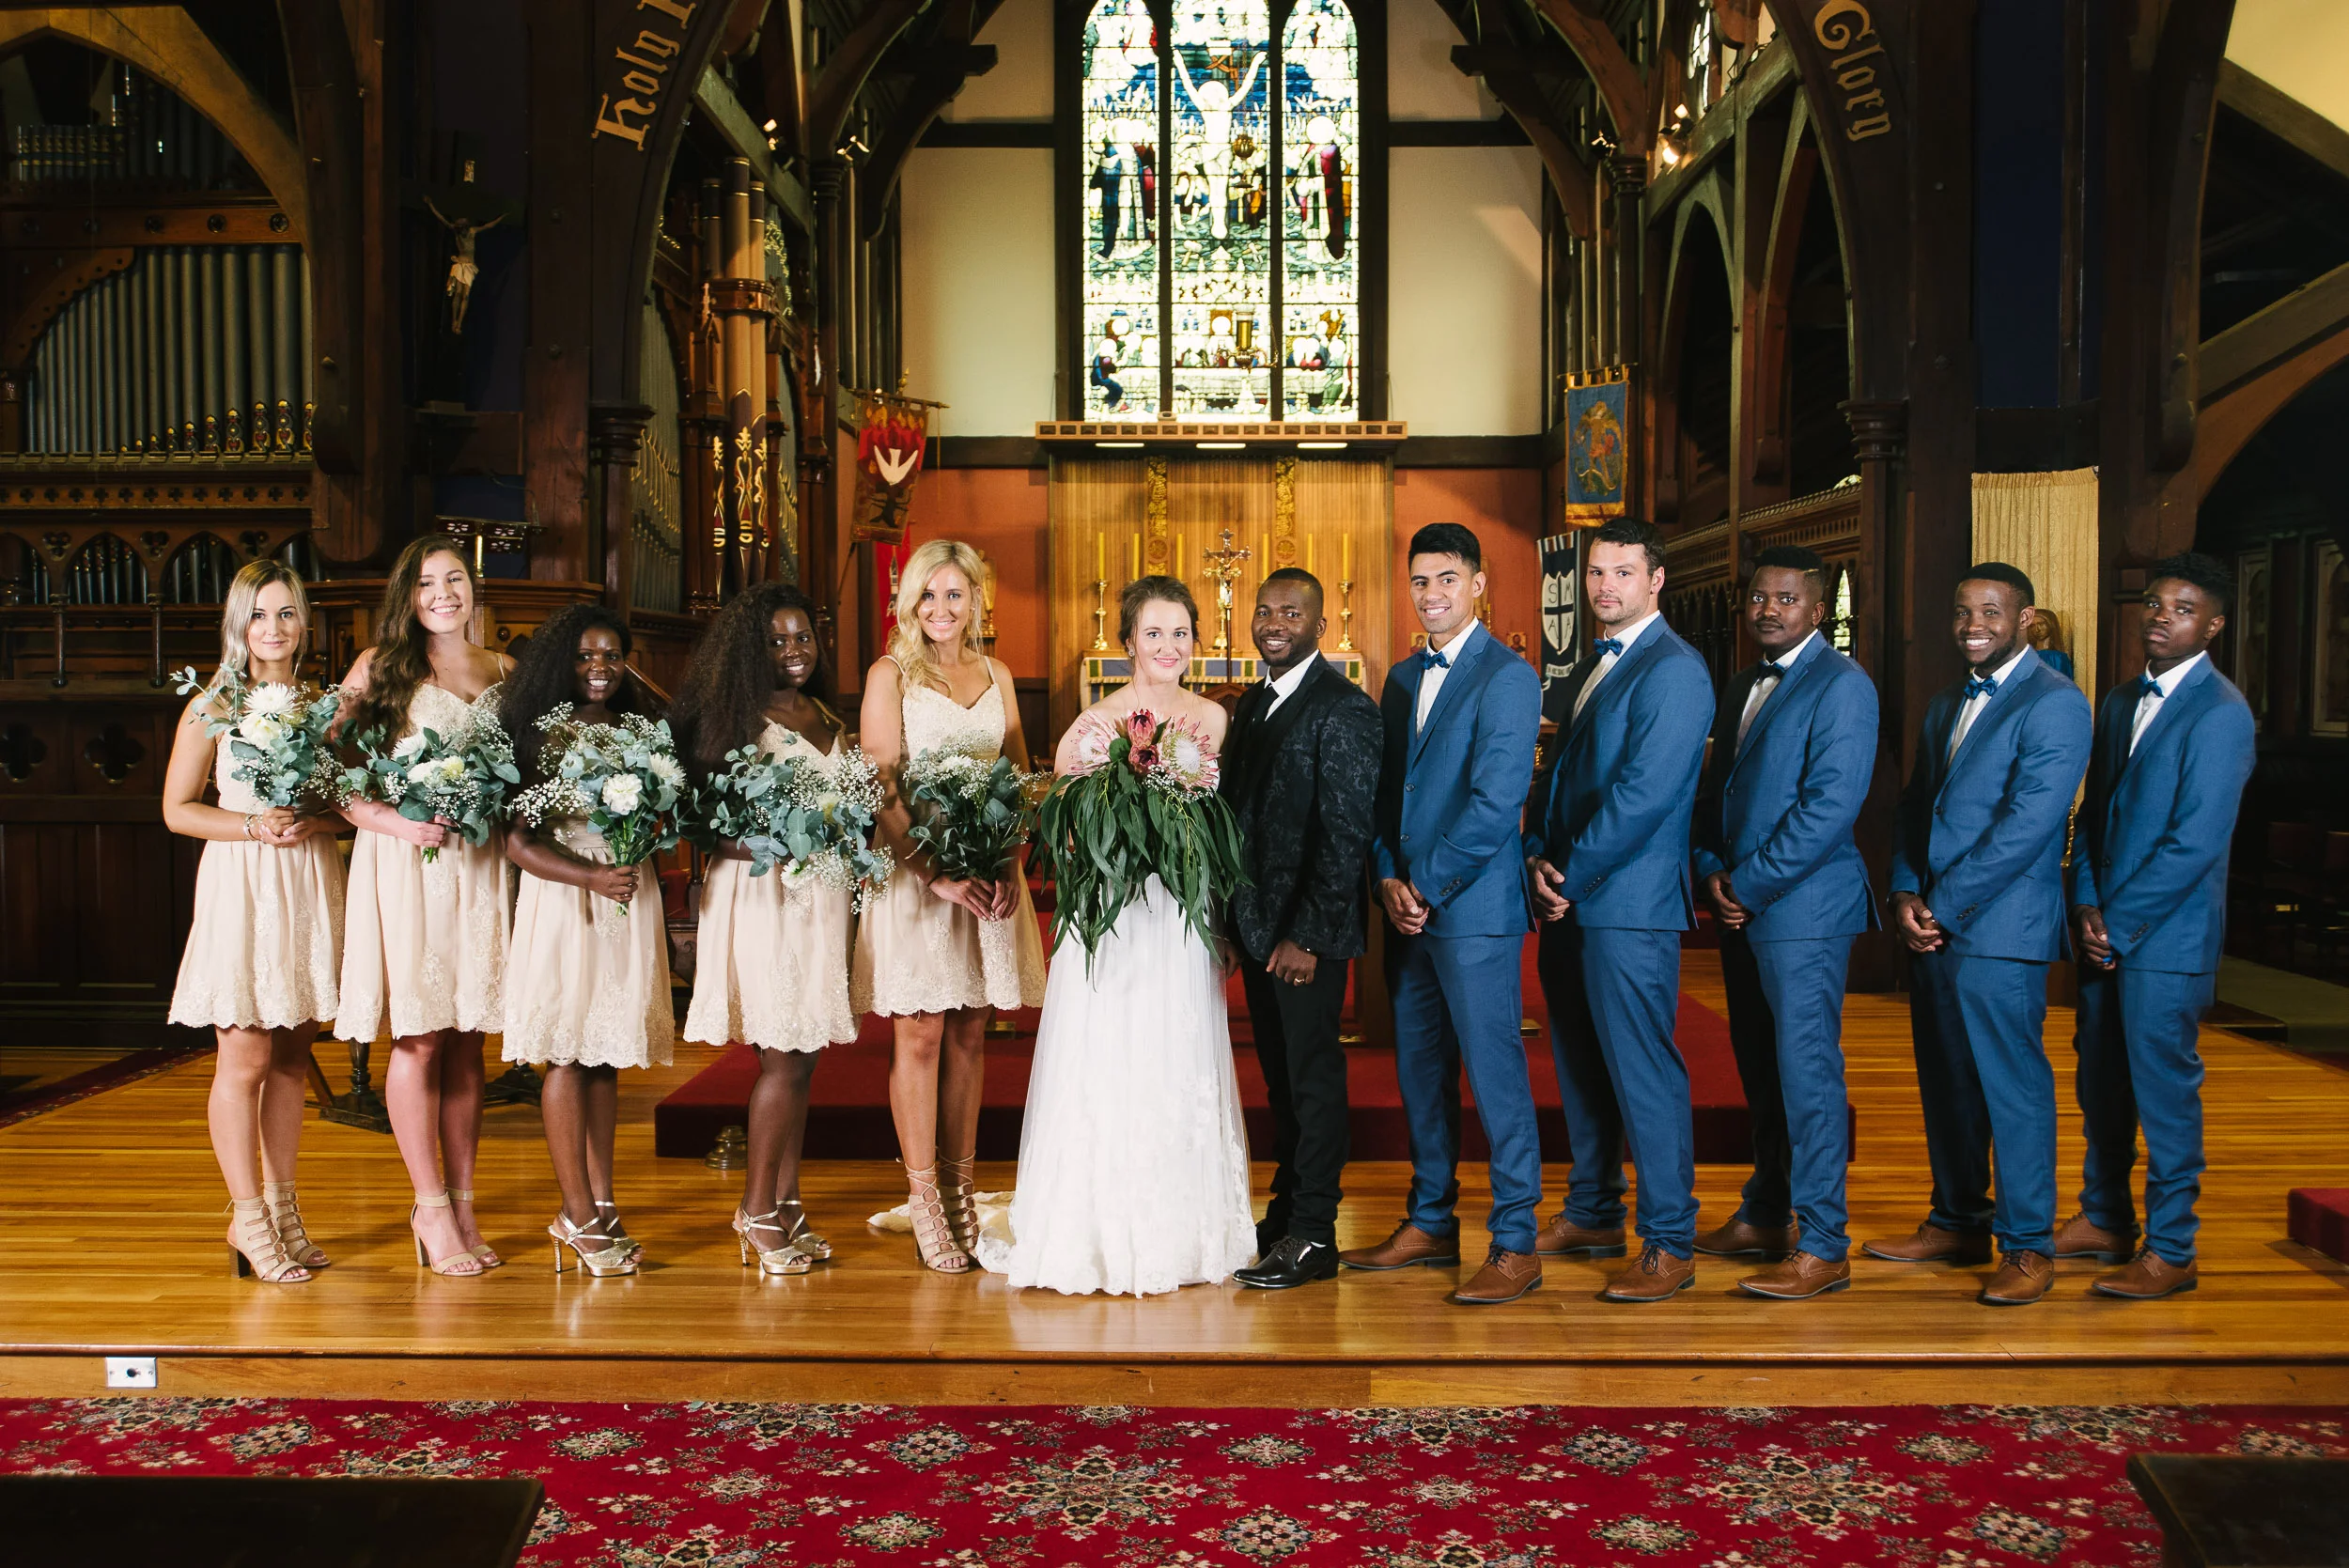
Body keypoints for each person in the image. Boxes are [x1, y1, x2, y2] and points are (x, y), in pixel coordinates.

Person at [977, 576, 1257, 1295]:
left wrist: (1218, 917)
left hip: (1180, 920)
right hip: (1117, 918)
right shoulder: (1094, 727)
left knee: (1175, 1059)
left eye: (1180, 633)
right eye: (1154, 633)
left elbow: (1224, 830)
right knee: (1111, 1058)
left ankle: (1182, 1229)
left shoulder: (1213, 720)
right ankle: (1099, 1229)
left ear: (1195, 642)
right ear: (1128, 640)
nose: (1168, 646)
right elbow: (1068, 835)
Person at [1869, 563, 2092, 1306]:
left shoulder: (2056, 703)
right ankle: (1958, 1219)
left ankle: (2027, 1246)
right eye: (1964, 611)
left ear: (2025, 620)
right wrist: (1906, 888)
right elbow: (1916, 806)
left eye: (1991, 612)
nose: (1974, 625)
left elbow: (2028, 826)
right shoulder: (1945, 703)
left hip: (2000, 929)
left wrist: (1944, 904)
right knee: (1948, 1082)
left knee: (2011, 1087)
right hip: (1933, 920)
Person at [1341, 523, 1544, 1305]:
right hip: (1406, 910)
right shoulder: (1399, 678)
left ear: (1479, 583)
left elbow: (1496, 803)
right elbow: (1383, 796)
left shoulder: (1509, 677)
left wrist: (1423, 885)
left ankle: (1516, 1240)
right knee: (1421, 1073)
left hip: (1472, 910)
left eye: (1448, 579)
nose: (1432, 594)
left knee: (1496, 1077)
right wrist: (1387, 878)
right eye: (1421, 581)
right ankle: (1430, 1220)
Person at [1524, 518, 1714, 1304]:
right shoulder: (1594, 663)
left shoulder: (1675, 670)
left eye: (1623, 572)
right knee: (1579, 1060)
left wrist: (1568, 873)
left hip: (1627, 903)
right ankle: (1594, 1209)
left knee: (1643, 1070)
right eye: (1597, 572)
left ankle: (1669, 1240)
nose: (1605, 586)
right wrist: (1536, 852)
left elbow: (1644, 795)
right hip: (1570, 896)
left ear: (1655, 579)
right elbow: (1560, 776)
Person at [1690, 545, 1880, 1299]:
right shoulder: (1743, 682)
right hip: (1741, 904)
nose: (1768, 610)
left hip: (1803, 910)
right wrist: (1712, 865)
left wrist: (1749, 883)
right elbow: (1720, 792)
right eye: (1759, 598)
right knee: (1761, 1069)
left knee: (1807, 1073)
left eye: (1786, 599)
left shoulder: (1844, 685)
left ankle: (1824, 1242)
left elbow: (1830, 807)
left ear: (1817, 607)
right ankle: (1768, 1211)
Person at [2064, 553, 2255, 1299]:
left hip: (2166, 941)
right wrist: (2087, 904)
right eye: (2153, 603)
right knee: (2100, 1081)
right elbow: (2095, 815)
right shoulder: (2120, 701)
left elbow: (2195, 841)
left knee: (2164, 1094)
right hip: (2104, 929)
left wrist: (2118, 921)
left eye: (2182, 608)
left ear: (2213, 625)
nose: (2160, 617)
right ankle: (2105, 1217)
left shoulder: (2221, 712)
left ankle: (2172, 1249)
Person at [853, 539, 1047, 1272]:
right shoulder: (891, 674)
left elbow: (1017, 776)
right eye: (928, 594)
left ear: (976, 601)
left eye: (955, 594)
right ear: (909, 601)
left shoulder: (998, 673)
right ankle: (925, 1199)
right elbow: (881, 783)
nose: (941, 607)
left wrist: (1008, 859)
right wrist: (933, 874)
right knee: (921, 1033)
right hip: (917, 879)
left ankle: (963, 1191)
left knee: (970, 1031)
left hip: (986, 877)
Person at [334, 533, 514, 1278]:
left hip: (479, 865)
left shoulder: (502, 669)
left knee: (470, 1038)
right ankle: (429, 1205)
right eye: (428, 582)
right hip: (411, 862)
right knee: (421, 1037)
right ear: (407, 596)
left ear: (473, 587)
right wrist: (396, 821)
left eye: (456, 579)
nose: (445, 594)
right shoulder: (379, 667)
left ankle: (464, 1202)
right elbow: (328, 772)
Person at [163, 560, 348, 1284]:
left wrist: (315, 818)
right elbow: (177, 809)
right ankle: (245, 1215)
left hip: (306, 876)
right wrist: (252, 824)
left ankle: (282, 1205)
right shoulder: (212, 704)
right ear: (238, 625)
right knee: (244, 1058)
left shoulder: (324, 706)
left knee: (294, 1056)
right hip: (244, 879)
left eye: (287, 613)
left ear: (304, 623)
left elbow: (348, 804)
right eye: (260, 614)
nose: (274, 628)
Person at [676, 584, 858, 1275]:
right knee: (782, 1055)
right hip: (763, 896)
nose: (793, 651)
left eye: (802, 637)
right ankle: (754, 1210)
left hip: (823, 898)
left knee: (805, 1055)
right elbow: (702, 825)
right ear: (751, 650)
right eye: (776, 641)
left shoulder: (826, 715)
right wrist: (768, 845)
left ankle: (788, 1201)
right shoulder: (735, 717)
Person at [498, 604, 674, 1279]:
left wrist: (651, 827)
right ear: (561, 662)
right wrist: (591, 875)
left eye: (611, 656)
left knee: (606, 1056)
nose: (599, 668)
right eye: (584, 656)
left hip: (625, 890)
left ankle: (602, 1202)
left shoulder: (639, 728)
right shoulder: (541, 731)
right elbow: (517, 843)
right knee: (569, 1055)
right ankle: (574, 1213)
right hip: (569, 895)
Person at [1221, 568, 1381, 1290]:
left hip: (1304, 941)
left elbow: (1345, 834)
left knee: (1313, 1081)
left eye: (1291, 612)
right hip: (1258, 930)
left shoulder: (1344, 708)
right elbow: (1240, 817)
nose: (1273, 623)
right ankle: (1286, 1215)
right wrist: (1231, 921)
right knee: (1281, 1083)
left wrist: (1309, 936)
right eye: (1265, 611)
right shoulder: (1254, 702)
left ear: (1320, 625)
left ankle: (1316, 1234)